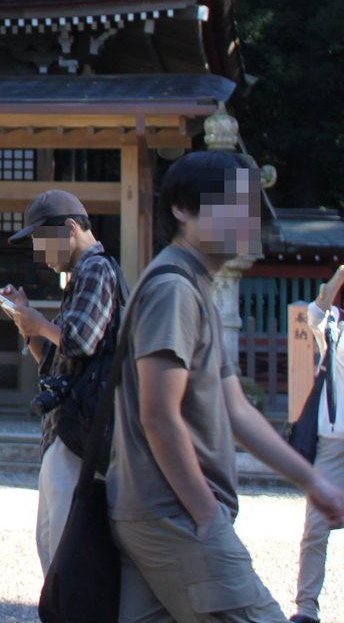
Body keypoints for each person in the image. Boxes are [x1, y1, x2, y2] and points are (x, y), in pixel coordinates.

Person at [109, 150, 344, 622]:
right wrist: (204, 513)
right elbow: (159, 414)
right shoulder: (174, 289)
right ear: (182, 210)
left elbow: (235, 410)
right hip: (174, 513)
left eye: (252, 208)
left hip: (160, 511)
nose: (247, 218)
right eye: (233, 205)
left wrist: (311, 481)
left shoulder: (193, 286)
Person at [0, 189, 122, 573]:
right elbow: (54, 363)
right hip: (67, 428)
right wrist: (28, 323)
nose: (42, 254)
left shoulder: (96, 269)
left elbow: (80, 340)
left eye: (43, 242)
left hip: (78, 432)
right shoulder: (81, 276)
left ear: (70, 228)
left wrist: (41, 324)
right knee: (53, 545)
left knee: (65, 552)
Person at [293, 262, 344, 623]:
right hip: (333, 440)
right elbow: (315, 310)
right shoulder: (335, 328)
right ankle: (306, 607)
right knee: (315, 526)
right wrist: (341, 271)